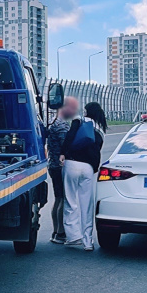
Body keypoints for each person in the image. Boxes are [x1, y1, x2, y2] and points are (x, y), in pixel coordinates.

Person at [61, 99, 104, 250]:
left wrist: (62, 153)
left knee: (71, 201)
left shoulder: (79, 120)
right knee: (87, 205)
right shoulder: (100, 128)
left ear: (87, 111)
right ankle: (88, 242)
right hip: (88, 168)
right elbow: (97, 149)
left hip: (72, 164)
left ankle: (73, 237)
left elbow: (70, 136)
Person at [44, 100, 74, 244]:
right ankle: (61, 233)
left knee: (57, 199)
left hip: (52, 164)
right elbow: (66, 146)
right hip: (60, 166)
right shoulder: (62, 125)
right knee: (62, 198)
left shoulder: (52, 122)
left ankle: (55, 232)